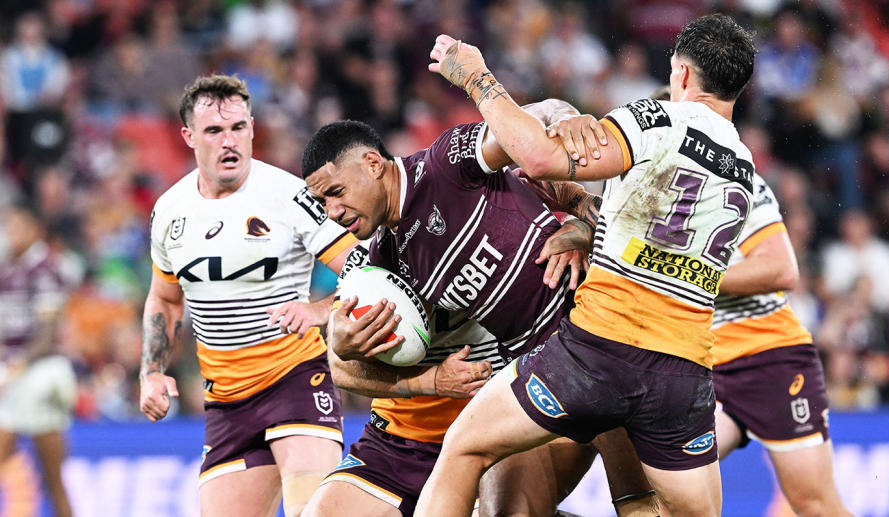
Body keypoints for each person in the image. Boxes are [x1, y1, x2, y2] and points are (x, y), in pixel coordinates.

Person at [415, 13, 757, 517]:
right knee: (687, 511)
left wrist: (476, 78)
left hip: (600, 352)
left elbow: (537, 159)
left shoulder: (658, 118)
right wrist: (585, 226)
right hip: (682, 374)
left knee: (465, 446)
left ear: (681, 75)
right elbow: (655, 232)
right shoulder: (746, 169)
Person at [296, 99, 645, 517]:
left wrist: (584, 221)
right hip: (409, 436)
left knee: (627, 499)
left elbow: (542, 140)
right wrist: (417, 375)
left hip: (525, 392)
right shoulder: (373, 267)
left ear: (373, 165)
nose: (333, 213)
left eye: (337, 193)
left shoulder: (450, 166)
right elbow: (342, 368)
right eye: (324, 204)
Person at [139, 74, 357, 517]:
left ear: (253, 128)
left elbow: (364, 270)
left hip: (296, 378)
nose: (229, 142)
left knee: (311, 513)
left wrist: (319, 310)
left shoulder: (291, 195)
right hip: (225, 399)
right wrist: (153, 370)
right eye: (214, 131)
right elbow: (165, 298)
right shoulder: (169, 211)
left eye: (238, 128)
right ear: (188, 137)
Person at [711, 173, 854, 517]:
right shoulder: (642, 178)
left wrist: (687, 276)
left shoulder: (734, 178)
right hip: (699, 366)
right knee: (665, 491)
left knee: (815, 506)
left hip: (771, 361)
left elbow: (781, 270)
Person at [0, 202, 76, 517]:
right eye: (9, 227)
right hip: (13, 370)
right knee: (50, 476)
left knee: (52, 476)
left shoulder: (46, 268)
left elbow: (47, 331)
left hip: (40, 372)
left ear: (35, 230)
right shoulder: (8, 267)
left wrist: (17, 364)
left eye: (18, 227)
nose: (11, 233)